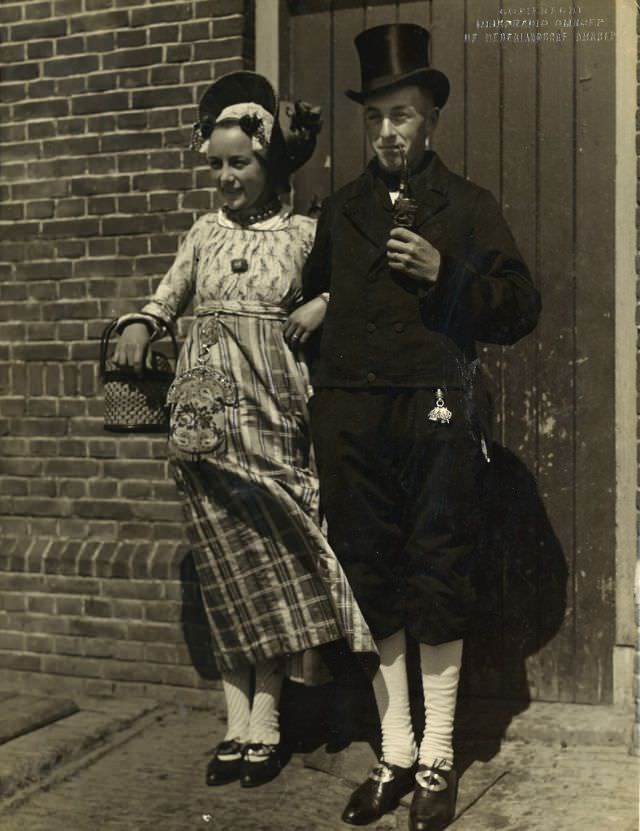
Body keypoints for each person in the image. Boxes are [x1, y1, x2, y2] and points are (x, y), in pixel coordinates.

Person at [302, 24, 541, 831]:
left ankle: (437, 753)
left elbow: (520, 308)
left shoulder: (469, 207)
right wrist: (319, 310)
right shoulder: (339, 211)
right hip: (353, 422)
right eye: (374, 118)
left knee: (436, 573)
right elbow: (316, 294)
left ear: (430, 117)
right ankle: (395, 751)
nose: (387, 132)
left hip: (435, 414)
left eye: (400, 115)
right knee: (372, 577)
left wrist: (450, 275)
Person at [112, 71, 375, 790]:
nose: (227, 178)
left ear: (271, 164)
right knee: (224, 562)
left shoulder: (303, 233)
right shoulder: (201, 234)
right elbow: (165, 296)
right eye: (218, 164)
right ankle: (237, 723)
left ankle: (269, 718)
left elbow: (351, 287)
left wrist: (320, 301)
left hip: (275, 410)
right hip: (204, 414)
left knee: (275, 557)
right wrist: (142, 321)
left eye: (242, 163)